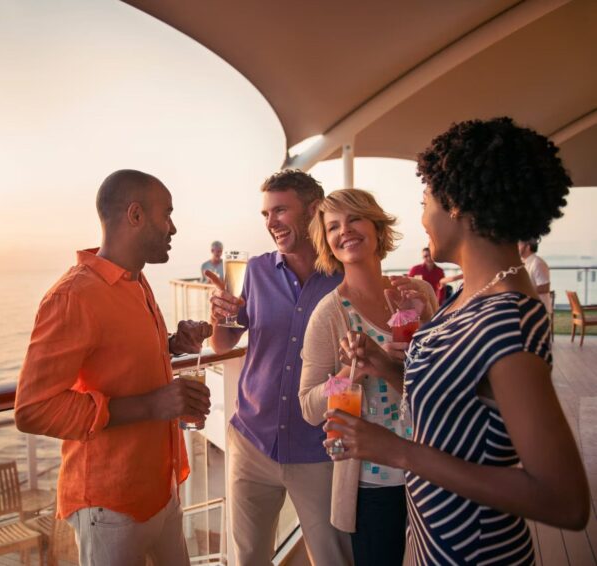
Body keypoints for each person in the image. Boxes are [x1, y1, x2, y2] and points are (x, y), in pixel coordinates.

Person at [328, 117, 589, 565]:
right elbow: (454, 401)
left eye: (425, 199)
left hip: (477, 553)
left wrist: (396, 450)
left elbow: (564, 501)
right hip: (435, 543)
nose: (422, 216)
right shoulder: (469, 295)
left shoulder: (505, 317)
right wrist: (382, 365)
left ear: (457, 204)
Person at [14, 169, 213, 566]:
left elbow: (117, 358)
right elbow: (32, 409)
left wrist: (173, 345)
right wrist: (153, 405)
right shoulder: (74, 296)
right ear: (135, 215)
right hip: (109, 507)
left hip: (162, 486)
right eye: (167, 214)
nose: (173, 227)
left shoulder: (136, 282)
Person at [206, 169, 352, 566]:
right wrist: (221, 313)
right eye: (266, 214)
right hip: (252, 441)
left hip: (318, 449)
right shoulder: (256, 271)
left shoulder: (345, 278)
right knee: (248, 558)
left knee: (333, 558)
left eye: (280, 211)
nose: (271, 223)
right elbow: (223, 343)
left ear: (313, 211)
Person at [299, 188, 438, 566]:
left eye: (354, 219)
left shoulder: (417, 291)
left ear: (377, 226)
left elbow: (441, 381)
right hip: (373, 483)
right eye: (333, 227)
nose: (345, 231)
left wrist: (424, 321)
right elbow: (310, 407)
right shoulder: (328, 315)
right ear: (326, 242)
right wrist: (351, 370)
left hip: (432, 467)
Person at [519, 238, 552, 313]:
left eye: (519, 244)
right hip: (531, 308)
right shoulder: (523, 262)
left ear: (528, 247)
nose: (516, 247)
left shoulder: (537, 263)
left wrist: (522, 291)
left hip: (539, 310)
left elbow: (545, 287)